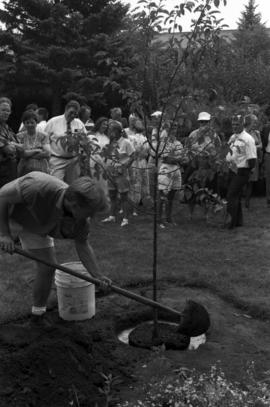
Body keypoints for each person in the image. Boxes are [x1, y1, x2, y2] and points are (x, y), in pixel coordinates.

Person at [0, 171, 111, 322]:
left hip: (35, 224)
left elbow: (82, 244)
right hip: (8, 213)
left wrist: (97, 276)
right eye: (89, 213)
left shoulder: (81, 221)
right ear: (74, 205)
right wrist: (5, 234)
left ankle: (37, 314)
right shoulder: (37, 186)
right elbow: (3, 197)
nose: (91, 217)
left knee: (48, 266)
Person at [225, 114, 257, 229]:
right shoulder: (233, 137)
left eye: (237, 124)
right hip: (232, 169)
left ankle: (230, 223)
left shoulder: (248, 139)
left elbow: (252, 159)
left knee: (231, 195)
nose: (234, 126)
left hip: (242, 171)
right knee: (235, 196)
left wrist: (248, 171)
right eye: (233, 124)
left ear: (242, 124)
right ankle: (238, 221)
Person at [102, 121, 135, 227]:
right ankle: (112, 216)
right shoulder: (111, 143)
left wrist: (125, 166)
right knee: (112, 195)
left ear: (118, 131)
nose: (110, 132)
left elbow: (133, 155)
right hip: (111, 171)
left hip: (121, 173)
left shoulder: (126, 142)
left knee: (124, 196)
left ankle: (125, 218)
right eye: (109, 131)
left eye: (112, 130)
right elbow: (108, 156)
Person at [45, 100, 86, 184]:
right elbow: (45, 140)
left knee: (73, 186)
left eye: (75, 114)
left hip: (73, 161)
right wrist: (47, 155)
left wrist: (81, 154)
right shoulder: (53, 122)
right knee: (56, 186)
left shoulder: (79, 124)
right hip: (57, 160)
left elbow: (85, 140)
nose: (73, 115)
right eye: (71, 112)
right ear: (66, 109)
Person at [157, 127, 184, 228]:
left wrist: (177, 159)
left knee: (172, 195)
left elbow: (182, 157)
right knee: (162, 195)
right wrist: (177, 159)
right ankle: (159, 219)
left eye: (175, 127)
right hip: (166, 168)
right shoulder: (164, 143)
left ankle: (168, 218)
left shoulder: (178, 143)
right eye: (172, 127)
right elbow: (166, 158)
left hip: (176, 169)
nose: (174, 129)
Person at [16, 110, 51, 176]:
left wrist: (27, 154)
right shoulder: (19, 136)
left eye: (32, 122)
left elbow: (47, 153)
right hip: (24, 169)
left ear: (36, 122)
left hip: (41, 169)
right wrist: (37, 150)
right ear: (24, 123)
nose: (30, 125)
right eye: (27, 122)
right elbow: (21, 154)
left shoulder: (43, 136)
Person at [128, 119, 150, 216]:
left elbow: (147, 151)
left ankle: (140, 206)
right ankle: (134, 209)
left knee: (142, 184)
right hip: (136, 162)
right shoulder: (131, 138)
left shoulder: (145, 138)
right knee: (135, 184)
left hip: (142, 162)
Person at [243, 114, 262, 209]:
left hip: (254, 159)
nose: (256, 124)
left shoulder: (257, 133)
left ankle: (247, 202)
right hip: (245, 159)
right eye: (254, 122)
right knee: (244, 181)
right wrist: (254, 146)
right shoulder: (244, 133)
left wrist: (253, 147)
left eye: (256, 122)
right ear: (249, 122)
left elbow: (261, 145)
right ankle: (240, 200)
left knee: (251, 182)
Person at [88, 117, 110, 195]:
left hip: (104, 162)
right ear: (99, 124)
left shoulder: (107, 137)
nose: (105, 126)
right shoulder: (92, 136)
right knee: (94, 182)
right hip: (94, 161)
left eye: (107, 125)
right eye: (103, 124)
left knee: (104, 183)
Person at [0, 97, 18, 187]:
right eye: (3, 110)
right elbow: (9, 150)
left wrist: (12, 144)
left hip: (10, 169)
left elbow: (20, 147)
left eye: (8, 111)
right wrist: (11, 145)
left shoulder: (8, 128)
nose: (6, 113)